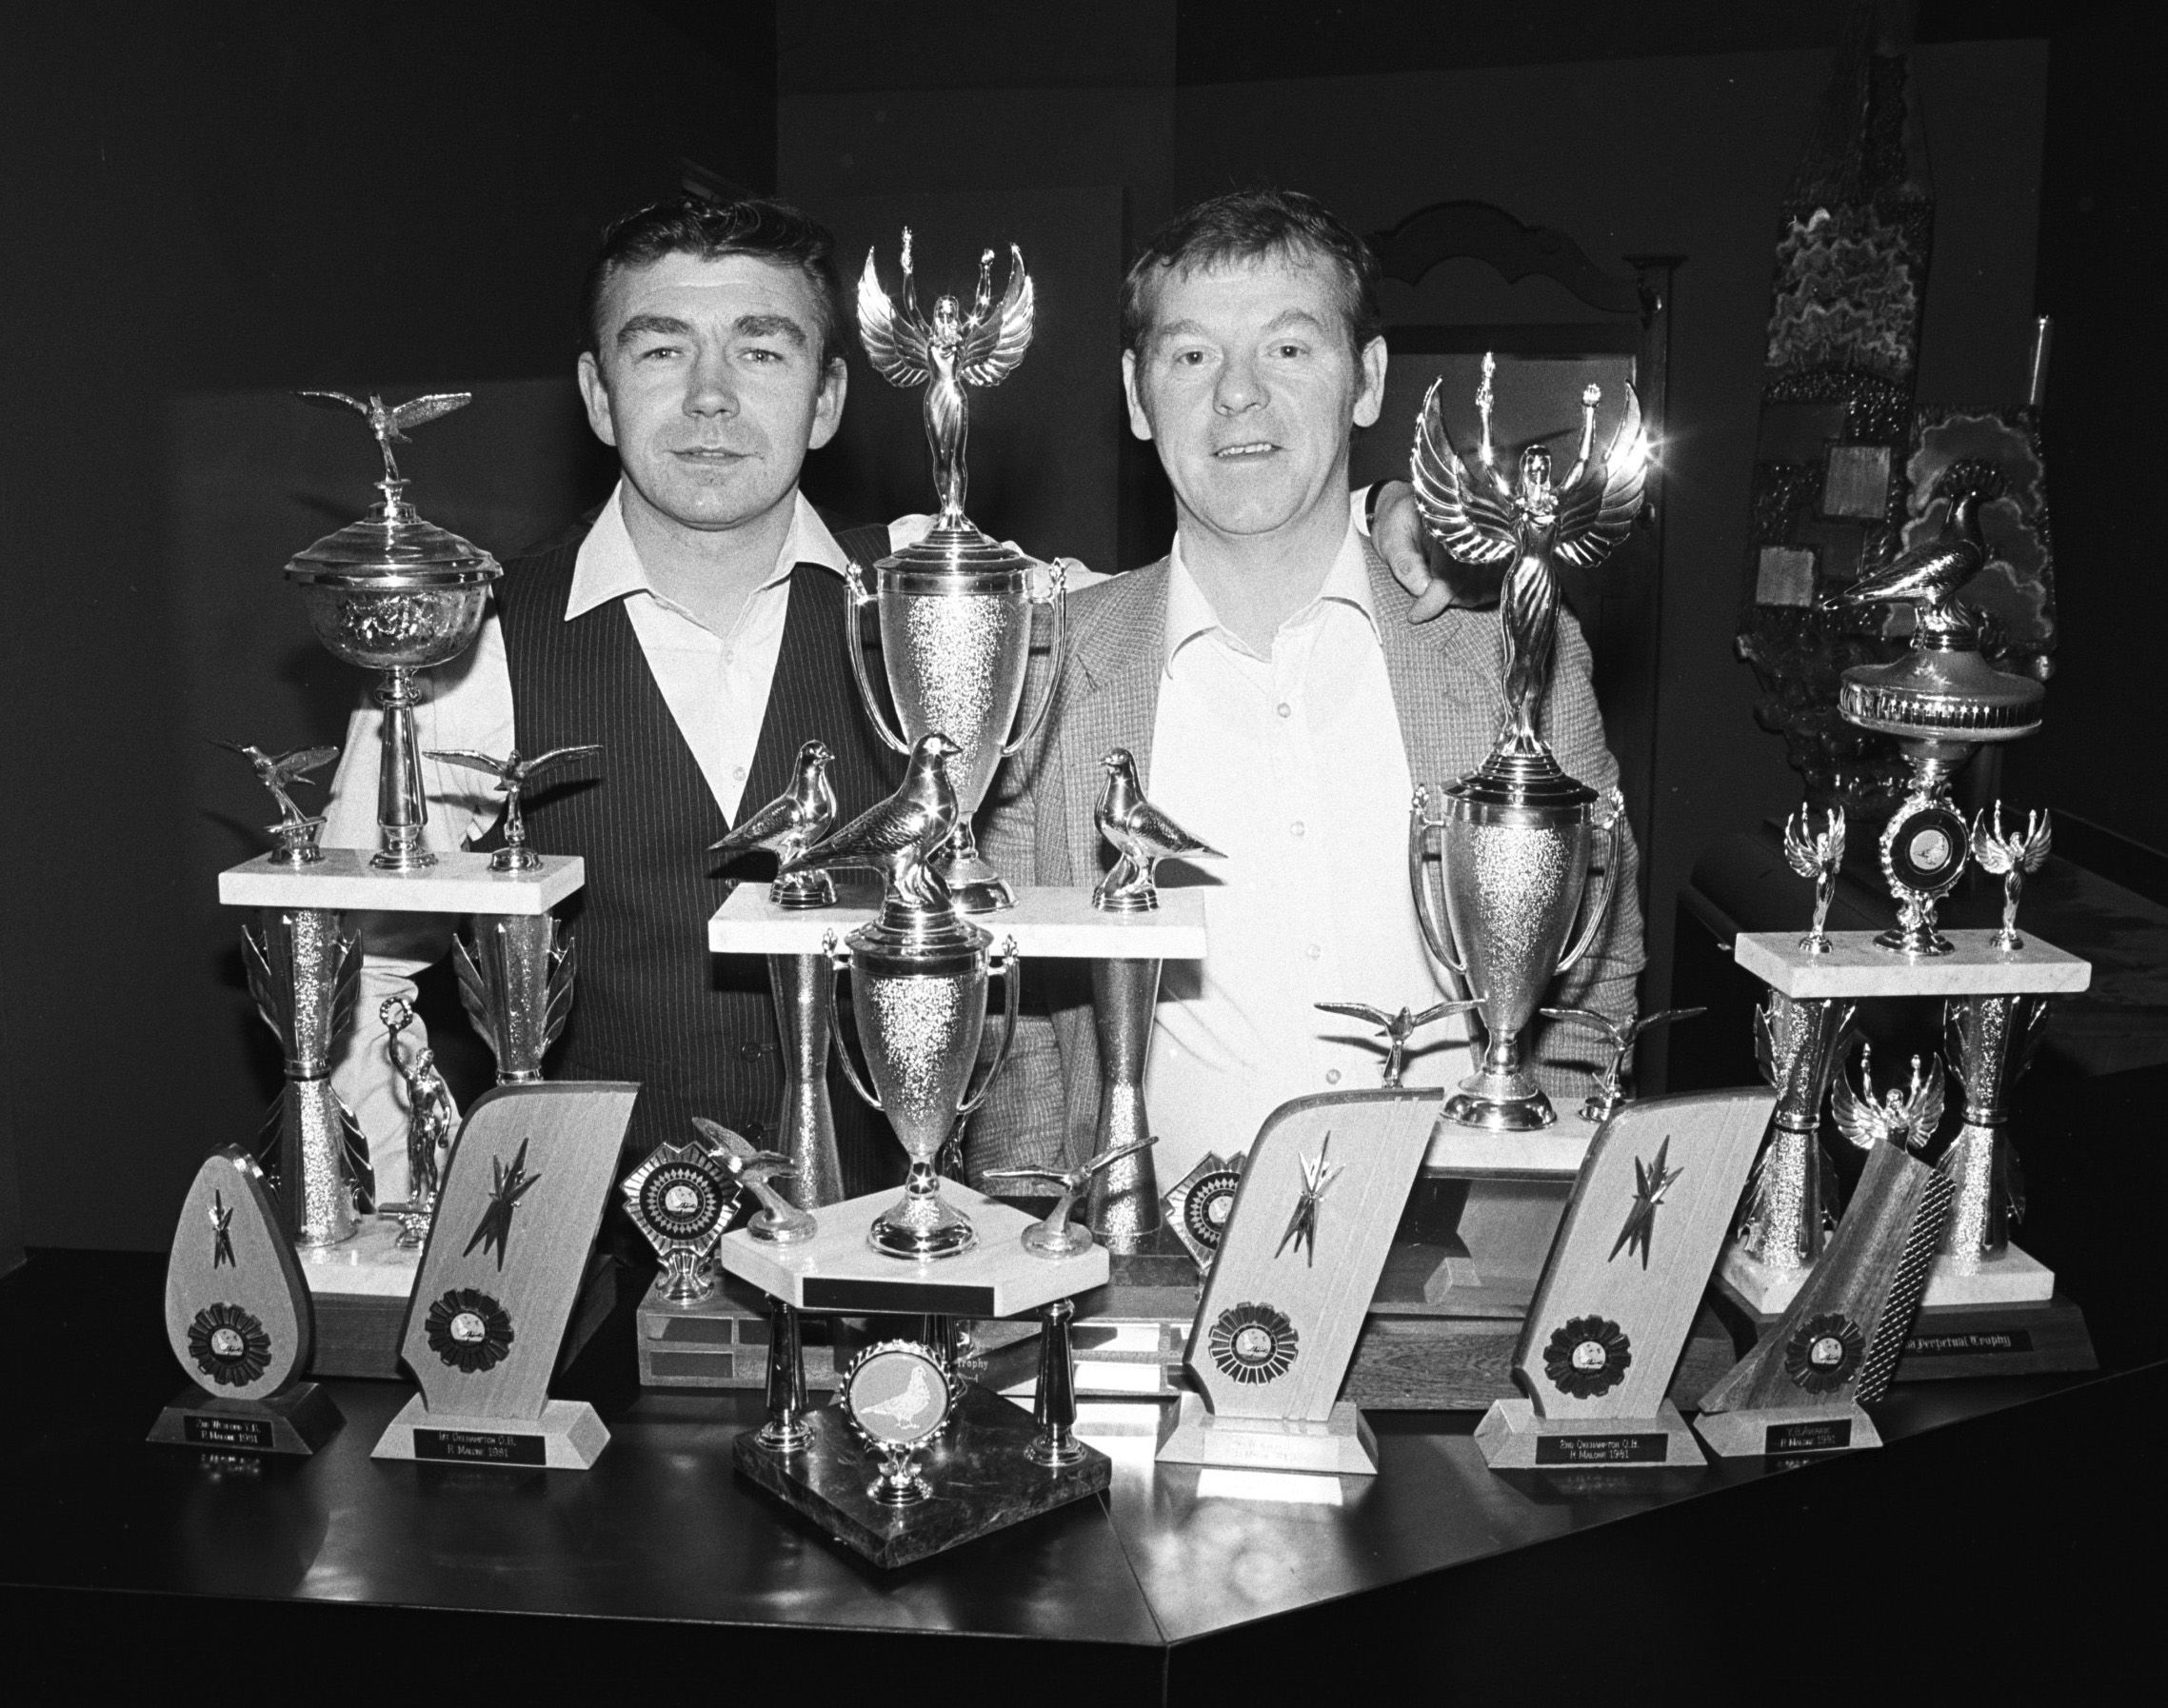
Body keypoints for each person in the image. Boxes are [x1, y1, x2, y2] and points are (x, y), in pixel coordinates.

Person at [970, 189, 1644, 1184]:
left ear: (1366, 379)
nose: (1238, 394)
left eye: (1289, 349)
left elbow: (1593, 981)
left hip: (1461, 1259)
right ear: (1134, 393)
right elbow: (1021, 1031)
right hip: (1155, 1275)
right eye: (1191, 355)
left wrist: (1533, 1226)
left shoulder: (1513, 650)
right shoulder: (1043, 672)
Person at [324, 196, 911, 1193]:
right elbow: (352, 970)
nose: (711, 398)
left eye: (762, 353)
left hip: (886, 1260)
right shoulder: (473, 639)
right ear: (599, 395)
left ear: (827, 400)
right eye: (662, 352)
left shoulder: (924, 609)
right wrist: (438, 1219)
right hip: (586, 1282)